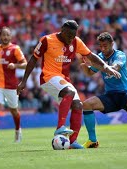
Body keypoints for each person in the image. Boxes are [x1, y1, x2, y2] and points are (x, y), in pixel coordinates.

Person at [17, 20, 121, 149]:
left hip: (63, 79)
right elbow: (33, 59)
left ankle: (72, 142)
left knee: (78, 105)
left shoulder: (76, 41)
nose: (70, 39)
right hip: (48, 77)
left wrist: (107, 67)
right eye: (68, 36)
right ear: (62, 30)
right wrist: (24, 81)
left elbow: (91, 56)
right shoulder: (47, 40)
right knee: (70, 92)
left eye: (73, 36)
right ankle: (60, 127)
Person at [0, 26, 27, 143]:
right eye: (3, 35)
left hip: (11, 85)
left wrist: (15, 65)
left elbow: (25, 64)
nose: (5, 37)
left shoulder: (15, 49)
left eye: (7, 35)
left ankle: (18, 130)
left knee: (14, 110)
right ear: (0, 36)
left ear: (10, 36)